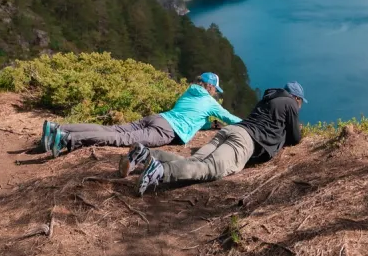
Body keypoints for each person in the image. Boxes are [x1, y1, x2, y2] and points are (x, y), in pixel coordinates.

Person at [129, 81, 306, 197]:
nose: (299, 105)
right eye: (300, 102)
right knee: (208, 168)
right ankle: (159, 171)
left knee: (194, 162)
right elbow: (295, 137)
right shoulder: (290, 103)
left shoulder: (268, 99)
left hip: (231, 130)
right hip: (245, 140)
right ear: (296, 98)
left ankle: (146, 154)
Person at [41, 72, 242, 160]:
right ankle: (68, 140)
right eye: (215, 89)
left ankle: (58, 128)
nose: (216, 92)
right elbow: (233, 119)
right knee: (119, 139)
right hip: (166, 130)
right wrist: (255, 125)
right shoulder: (210, 102)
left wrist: (207, 126)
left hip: (158, 118)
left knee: (114, 130)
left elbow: (190, 117)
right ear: (210, 87)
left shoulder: (189, 92)